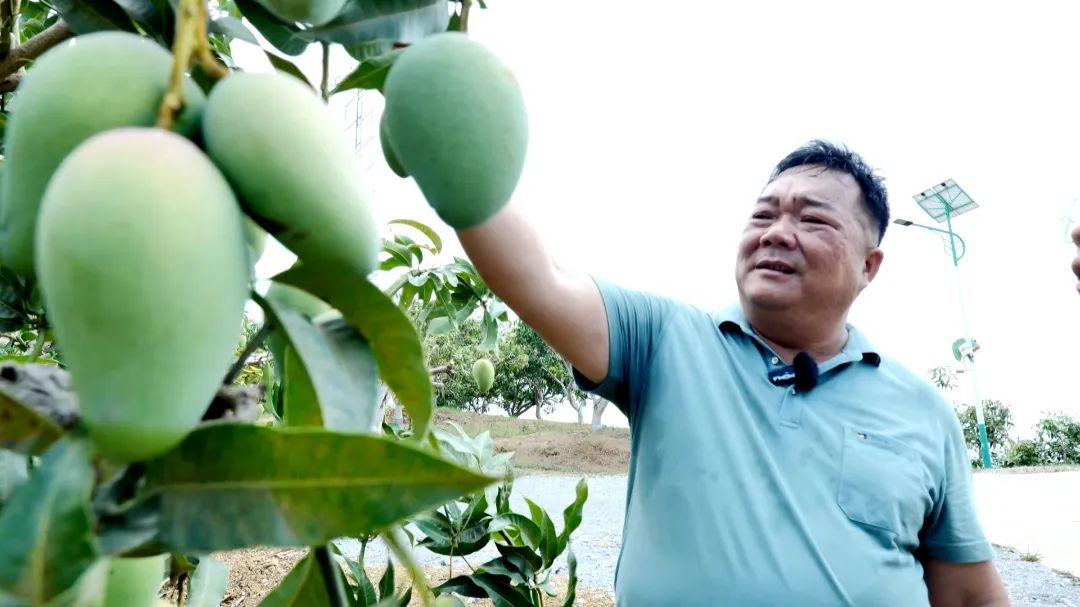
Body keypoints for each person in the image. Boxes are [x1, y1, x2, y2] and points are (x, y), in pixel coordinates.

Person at [454, 140, 1010, 606]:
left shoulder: (922, 410)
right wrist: (437, 105)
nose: (776, 232)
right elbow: (537, 277)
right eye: (764, 214)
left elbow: (968, 594)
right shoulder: (661, 338)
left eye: (812, 218)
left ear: (870, 266)